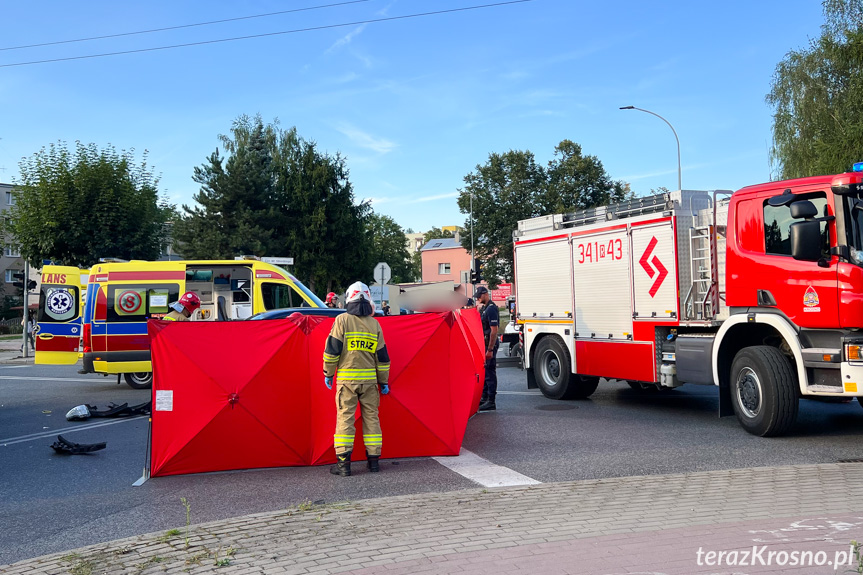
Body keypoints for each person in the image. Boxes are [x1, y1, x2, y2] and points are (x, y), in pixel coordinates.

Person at [323, 281, 391, 476]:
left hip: (347, 382)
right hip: (370, 383)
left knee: (345, 419)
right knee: (372, 418)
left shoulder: (342, 320)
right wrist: (383, 381)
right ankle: (374, 462)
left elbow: (332, 351)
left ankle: (343, 465)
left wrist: (328, 373)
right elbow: (383, 358)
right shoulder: (374, 324)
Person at [475, 286, 499, 411]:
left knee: (489, 372)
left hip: (490, 344)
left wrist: (490, 349)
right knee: (485, 372)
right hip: (485, 343)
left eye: (479, 296)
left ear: (485, 294)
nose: (478, 299)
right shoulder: (485, 308)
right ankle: (484, 398)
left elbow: (494, 331)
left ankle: (491, 401)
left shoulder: (491, 309)